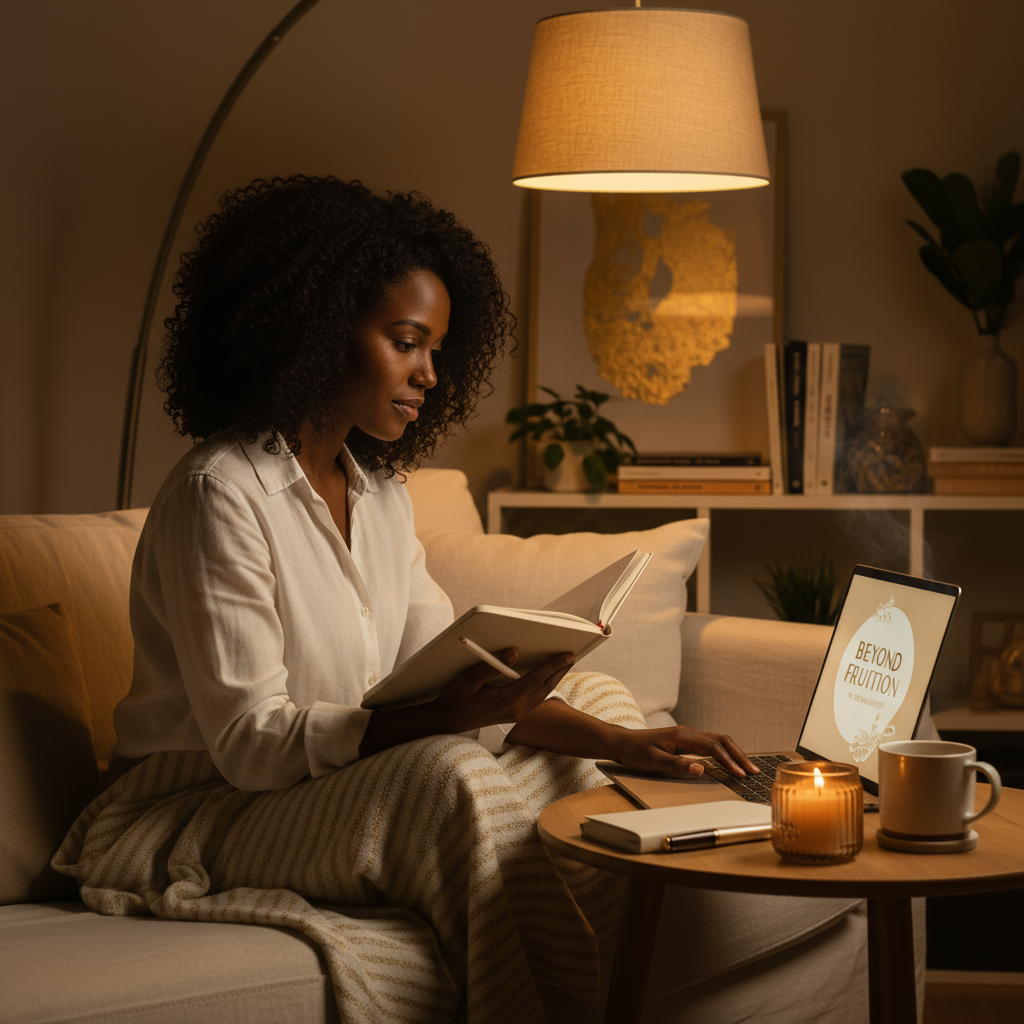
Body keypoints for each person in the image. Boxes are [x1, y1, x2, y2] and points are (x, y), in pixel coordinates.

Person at [55, 175, 756, 1023]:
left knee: (603, 704)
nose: (429, 374)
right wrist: (442, 718)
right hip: (194, 809)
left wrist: (624, 739)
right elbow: (251, 744)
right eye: (407, 341)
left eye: (436, 351)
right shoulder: (221, 492)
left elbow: (445, 670)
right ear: (316, 329)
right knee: (448, 773)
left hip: (318, 788)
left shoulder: (382, 495)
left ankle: (626, 993)